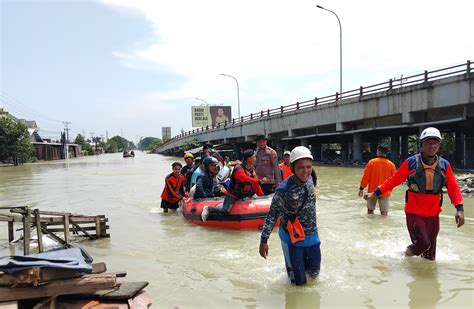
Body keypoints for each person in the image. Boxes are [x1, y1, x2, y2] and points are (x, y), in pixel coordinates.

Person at [365, 127, 464, 260]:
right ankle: (405, 257)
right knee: (423, 243)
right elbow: (393, 181)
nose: (432, 146)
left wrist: (459, 209)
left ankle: (425, 277)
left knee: (430, 254)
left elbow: (453, 188)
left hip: (433, 213)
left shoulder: (444, 165)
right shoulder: (411, 162)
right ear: (421, 145)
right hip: (414, 212)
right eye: (428, 143)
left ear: (439, 145)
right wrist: (375, 193)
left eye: (435, 143)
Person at [259, 146, 321, 286]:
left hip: (312, 237)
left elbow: (312, 197)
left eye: (308, 167)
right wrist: (264, 240)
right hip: (293, 239)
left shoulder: (311, 178)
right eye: (301, 168)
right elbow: (272, 215)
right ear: (292, 168)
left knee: (315, 275)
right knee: (299, 283)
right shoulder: (283, 189)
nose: (306, 171)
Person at [201, 149, 264, 222]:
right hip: (233, 195)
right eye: (254, 157)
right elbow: (245, 178)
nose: (255, 159)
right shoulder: (238, 169)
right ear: (248, 159)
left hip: (246, 195)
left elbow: (255, 184)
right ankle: (209, 208)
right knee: (225, 211)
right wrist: (259, 181)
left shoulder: (252, 169)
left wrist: (262, 196)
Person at [358, 145, 396, 215]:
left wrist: (361, 188)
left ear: (378, 151)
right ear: (386, 152)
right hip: (385, 191)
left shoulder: (372, 162)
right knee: (384, 214)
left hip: (372, 192)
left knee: (370, 211)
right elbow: (394, 180)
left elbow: (366, 177)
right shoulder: (391, 165)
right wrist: (389, 190)